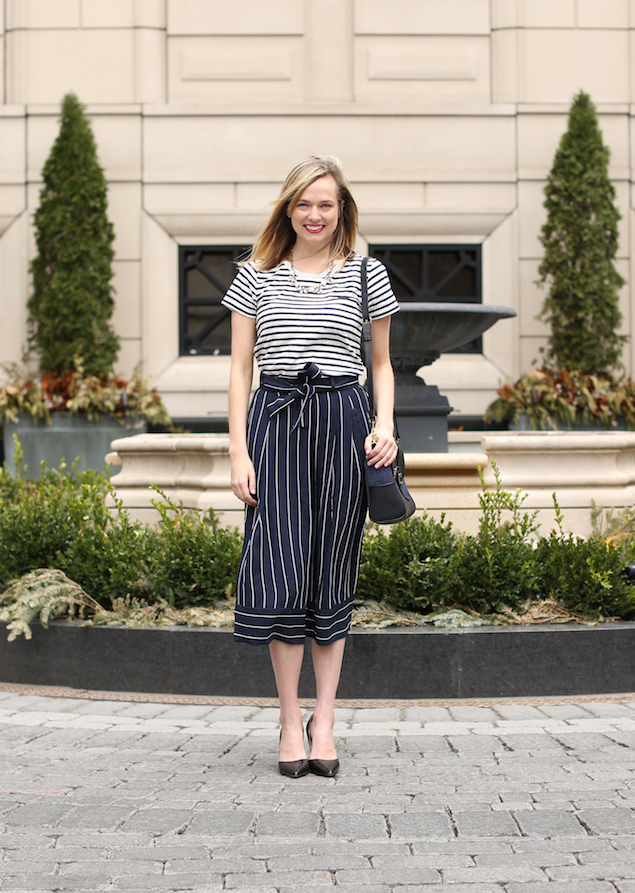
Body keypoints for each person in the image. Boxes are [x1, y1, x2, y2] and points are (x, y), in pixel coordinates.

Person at [223, 156, 399, 778]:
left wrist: (384, 425)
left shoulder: (365, 274)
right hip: (276, 424)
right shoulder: (256, 275)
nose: (315, 215)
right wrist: (239, 450)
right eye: (304, 204)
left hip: (345, 424)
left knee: (332, 569)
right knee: (278, 571)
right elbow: (241, 370)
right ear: (288, 209)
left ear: (342, 210)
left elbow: (380, 364)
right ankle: (286, 720)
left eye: (326, 204)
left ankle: (324, 721)